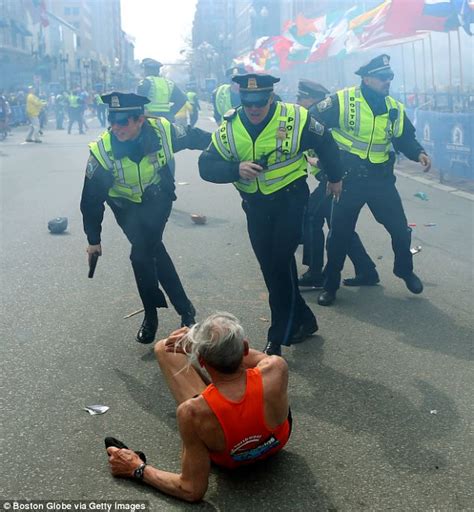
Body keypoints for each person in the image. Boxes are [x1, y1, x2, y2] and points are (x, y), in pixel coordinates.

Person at [198, 74, 344, 356]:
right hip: (255, 206)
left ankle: (278, 337)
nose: (254, 108)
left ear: (271, 96)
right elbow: (205, 166)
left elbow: (325, 142)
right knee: (273, 269)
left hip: (290, 199)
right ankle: (305, 319)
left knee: (279, 264)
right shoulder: (229, 127)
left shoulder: (295, 118)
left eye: (260, 102)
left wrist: (335, 177)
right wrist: (235, 169)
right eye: (248, 102)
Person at [106, 312, 291, 502]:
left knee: (165, 347)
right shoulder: (276, 367)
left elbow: (191, 490)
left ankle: (216, 377)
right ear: (244, 347)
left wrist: (137, 469)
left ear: (201, 360)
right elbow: (254, 358)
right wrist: (210, 347)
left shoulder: (191, 412)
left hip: (232, 460)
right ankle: (222, 366)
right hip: (276, 441)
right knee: (236, 377)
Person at [80, 92, 211, 343]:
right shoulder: (102, 151)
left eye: (123, 122)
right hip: (125, 207)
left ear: (140, 119)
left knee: (141, 254)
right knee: (154, 253)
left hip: (156, 200)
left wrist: (227, 150)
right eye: (112, 120)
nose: (115, 127)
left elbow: (197, 137)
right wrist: (93, 239)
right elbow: (90, 200)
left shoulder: (163, 131)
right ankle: (186, 310)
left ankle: (151, 316)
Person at [312, 55, 432, 306]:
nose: (387, 81)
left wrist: (418, 152)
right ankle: (330, 285)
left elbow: (404, 138)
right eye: (382, 77)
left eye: (390, 77)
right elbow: (313, 125)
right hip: (349, 180)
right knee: (339, 236)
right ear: (367, 78)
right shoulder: (343, 100)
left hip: (381, 182)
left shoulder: (394, 108)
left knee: (400, 230)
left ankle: (404, 270)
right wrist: (325, 164)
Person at [296, 79, 378, 289]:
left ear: (314, 99)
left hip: (335, 179)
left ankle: (315, 272)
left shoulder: (325, 121)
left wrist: (320, 164)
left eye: (302, 98)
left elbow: (337, 153)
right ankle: (366, 270)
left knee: (312, 216)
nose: (299, 102)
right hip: (331, 178)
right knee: (339, 226)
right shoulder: (311, 118)